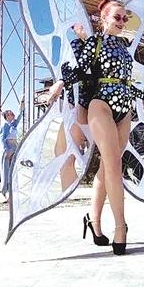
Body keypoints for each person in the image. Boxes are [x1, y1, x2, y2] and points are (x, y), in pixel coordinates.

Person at [48, 0, 144, 255]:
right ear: (103, 18)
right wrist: (60, 82)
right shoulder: (94, 42)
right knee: (114, 165)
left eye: (125, 18)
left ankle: (93, 220)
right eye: (117, 17)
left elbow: (124, 81)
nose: (122, 22)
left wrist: (142, 96)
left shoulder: (124, 48)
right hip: (100, 105)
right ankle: (121, 227)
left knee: (108, 167)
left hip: (124, 109)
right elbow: (79, 69)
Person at [54, 23, 92, 191]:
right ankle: (68, 189)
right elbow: (69, 69)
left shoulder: (85, 45)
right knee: (64, 151)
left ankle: (68, 190)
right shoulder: (75, 45)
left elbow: (73, 70)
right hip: (79, 101)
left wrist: (62, 81)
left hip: (84, 102)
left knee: (64, 151)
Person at [0, 99, 24, 199]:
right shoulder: (4, 125)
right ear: (6, 116)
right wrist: (7, 149)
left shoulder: (13, 124)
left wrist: (21, 105)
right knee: (5, 170)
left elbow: (20, 115)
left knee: (13, 170)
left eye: (12, 113)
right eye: (9, 114)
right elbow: (2, 138)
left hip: (14, 146)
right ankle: (5, 191)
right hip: (7, 147)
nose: (12, 115)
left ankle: (12, 191)